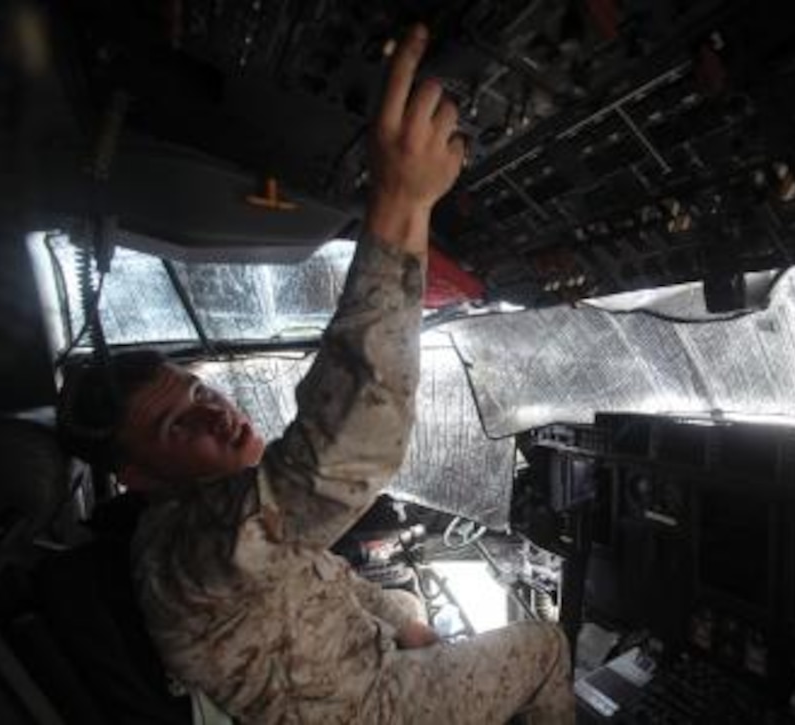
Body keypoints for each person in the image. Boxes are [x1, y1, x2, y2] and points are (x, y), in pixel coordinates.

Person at [58, 24, 574, 725]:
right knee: (543, 644)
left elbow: (316, 576)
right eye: (179, 424)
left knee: (409, 603)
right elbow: (345, 455)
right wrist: (401, 206)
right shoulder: (187, 551)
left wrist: (405, 622)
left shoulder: (212, 518)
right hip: (370, 710)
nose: (217, 414)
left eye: (202, 392)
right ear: (136, 475)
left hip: (363, 679)